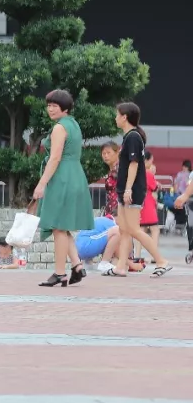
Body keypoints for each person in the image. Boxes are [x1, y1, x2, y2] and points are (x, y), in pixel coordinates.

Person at [33, 90, 94, 287]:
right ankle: (77, 266)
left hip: (62, 178)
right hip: (75, 175)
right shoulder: (73, 124)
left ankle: (60, 273)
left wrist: (41, 183)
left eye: (55, 106)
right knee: (63, 226)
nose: (50, 109)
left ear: (65, 108)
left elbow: (55, 158)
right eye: (49, 105)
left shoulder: (59, 128)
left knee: (58, 226)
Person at [109, 102, 170, 277]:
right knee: (123, 229)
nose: (115, 118)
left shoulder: (133, 137)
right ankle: (121, 267)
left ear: (125, 117)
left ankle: (161, 261)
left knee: (134, 229)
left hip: (132, 190)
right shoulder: (129, 137)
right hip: (124, 189)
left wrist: (128, 189)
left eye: (117, 114)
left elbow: (134, 164)